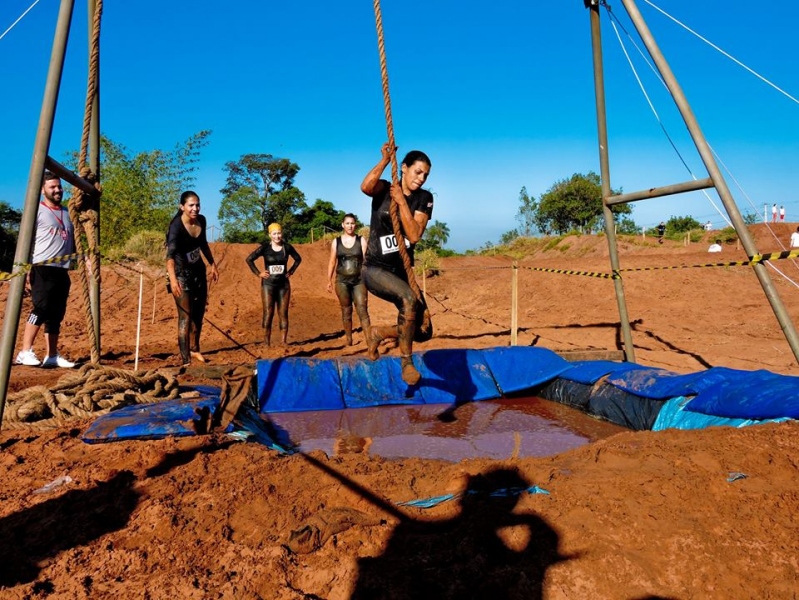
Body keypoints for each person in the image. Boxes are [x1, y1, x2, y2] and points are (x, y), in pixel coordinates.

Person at [360, 143, 434, 385]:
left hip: (401, 272)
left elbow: (414, 235)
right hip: (375, 269)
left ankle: (378, 332)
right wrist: (384, 160)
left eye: (425, 175)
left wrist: (402, 202)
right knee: (409, 300)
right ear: (404, 168)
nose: (421, 178)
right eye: (417, 172)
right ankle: (406, 363)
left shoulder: (424, 199)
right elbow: (365, 187)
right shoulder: (384, 189)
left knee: (423, 331)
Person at [15, 171, 77, 368]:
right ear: (43, 190)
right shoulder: (36, 211)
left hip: (62, 269)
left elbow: (74, 242)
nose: (58, 190)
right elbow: (25, 241)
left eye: (59, 186)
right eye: (53, 187)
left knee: (56, 313)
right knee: (40, 308)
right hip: (42, 267)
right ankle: (25, 351)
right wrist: (24, 269)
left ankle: (51, 355)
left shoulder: (67, 213)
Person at [166, 191, 219, 366]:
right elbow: (170, 257)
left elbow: (203, 244)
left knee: (198, 314)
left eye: (197, 205)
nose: (195, 208)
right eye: (191, 205)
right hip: (181, 275)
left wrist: (213, 264)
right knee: (185, 317)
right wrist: (173, 281)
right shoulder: (176, 227)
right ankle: (185, 359)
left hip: (198, 273)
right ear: (182, 207)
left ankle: (195, 349)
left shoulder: (202, 220)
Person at [246, 222, 302, 347]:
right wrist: (258, 273)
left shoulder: (287, 247)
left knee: (283, 313)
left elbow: (298, 259)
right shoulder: (265, 248)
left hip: (283, 285)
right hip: (268, 285)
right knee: (268, 313)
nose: (277, 236)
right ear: (270, 235)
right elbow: (249, 259)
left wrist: (291, 271)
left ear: (282, 233)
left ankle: (283, 342)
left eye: (279, 233)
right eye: (274, 234)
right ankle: (266, 342)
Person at [327, 213, 370, 346]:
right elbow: (332, 261)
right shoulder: (336, 242)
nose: (350, 226)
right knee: (346, 310)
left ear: (355, 225)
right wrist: (328, 280)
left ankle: (369, 339)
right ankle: (349, 339)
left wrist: (370, 278)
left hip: (359, 280)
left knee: (362, 309)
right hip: (341, 281)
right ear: (342, 225)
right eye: (347, 223)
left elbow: (367, 261)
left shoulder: (361, 240)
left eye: (352, 223)